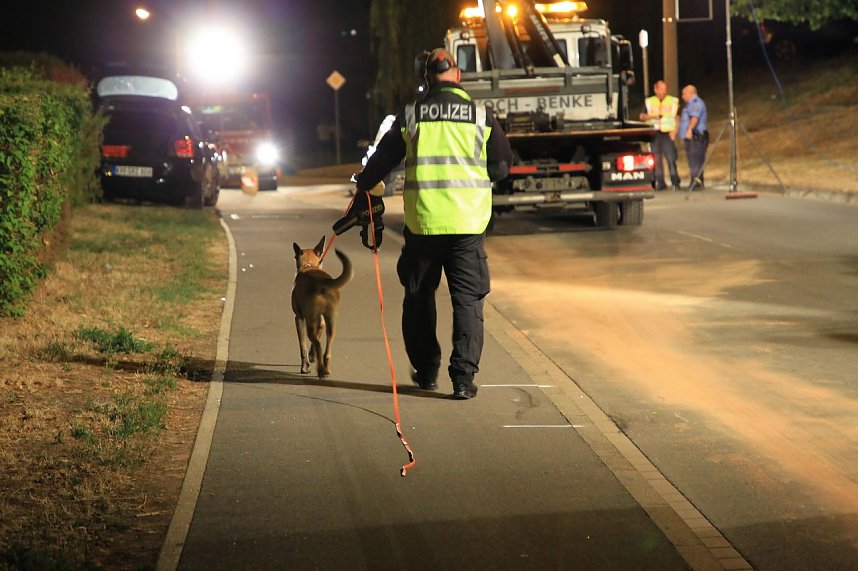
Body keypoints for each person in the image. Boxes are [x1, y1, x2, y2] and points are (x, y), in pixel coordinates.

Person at [333, 48, 513, 400]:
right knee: (468, 301)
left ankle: (427, 371)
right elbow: (503, 167)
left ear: (427, 78)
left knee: (418, 298)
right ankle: (463, 379)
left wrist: (364, 189)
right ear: (458, 76)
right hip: (468, 224)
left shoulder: (411, 114)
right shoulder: (480, 114)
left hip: (424, 223)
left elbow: (383, 160)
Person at [640, 80, 680, 190]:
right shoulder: (649, 101)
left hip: (667, 133)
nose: (663, 91)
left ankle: (675, 181)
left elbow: (677, 117)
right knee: (656, 159)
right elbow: (642, 116)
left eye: (664, 89)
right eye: (661, 89)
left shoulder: (672, 101)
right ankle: (660, 182)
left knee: (671, 158)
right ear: (655, 90)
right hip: (654, 134)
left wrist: (674, 132)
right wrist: (652, 116)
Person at [679, 85, 709, 190]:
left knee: (695, 160)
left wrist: (689, 130)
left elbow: (694, 118)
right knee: (694, 160)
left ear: (690, 93)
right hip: (694, 136)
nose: (683, 96)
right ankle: (697, 182)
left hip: (696, 136)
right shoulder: (690, 104)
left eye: (684, 94)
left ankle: (695, 183)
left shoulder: (695, 103)